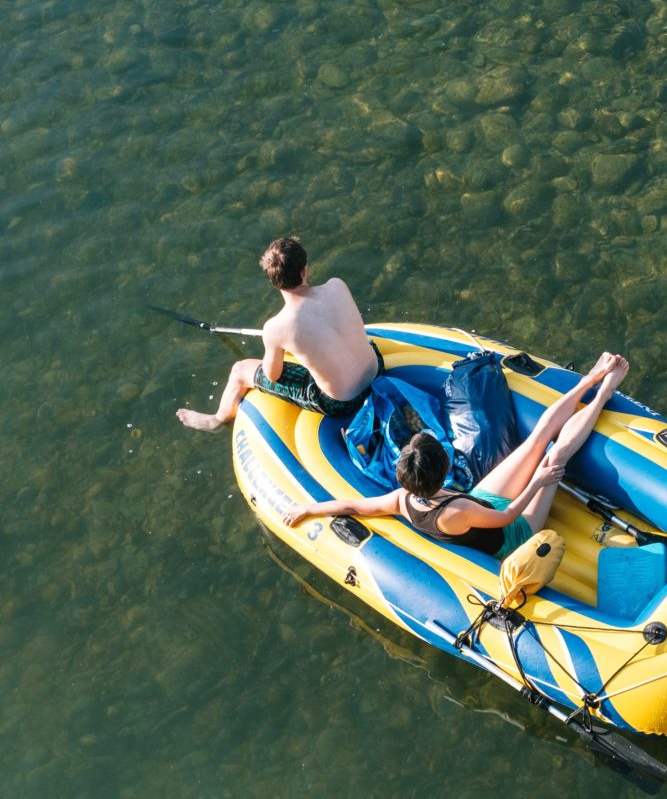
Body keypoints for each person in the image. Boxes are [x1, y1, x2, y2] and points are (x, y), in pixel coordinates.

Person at [283, 353, 630, 559]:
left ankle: (591, 378)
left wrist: (310, 508)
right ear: (444, 467)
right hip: (514, 533)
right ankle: (603, 394)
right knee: (553, 458)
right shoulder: (456, 509)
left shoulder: (404, 498)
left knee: (536, 439)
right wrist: (538, 481)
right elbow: (509, 517)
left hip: (483, 502)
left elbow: (357, 506)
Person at [176, 237, 380, 432]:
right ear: (304, 271)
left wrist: (275, 345)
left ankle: (217, 420)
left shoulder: (276, 327)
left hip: (343, 403)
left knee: (239, 370)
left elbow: (272, 375)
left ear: (273, 281)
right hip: (377, 371)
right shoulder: (337, 285)